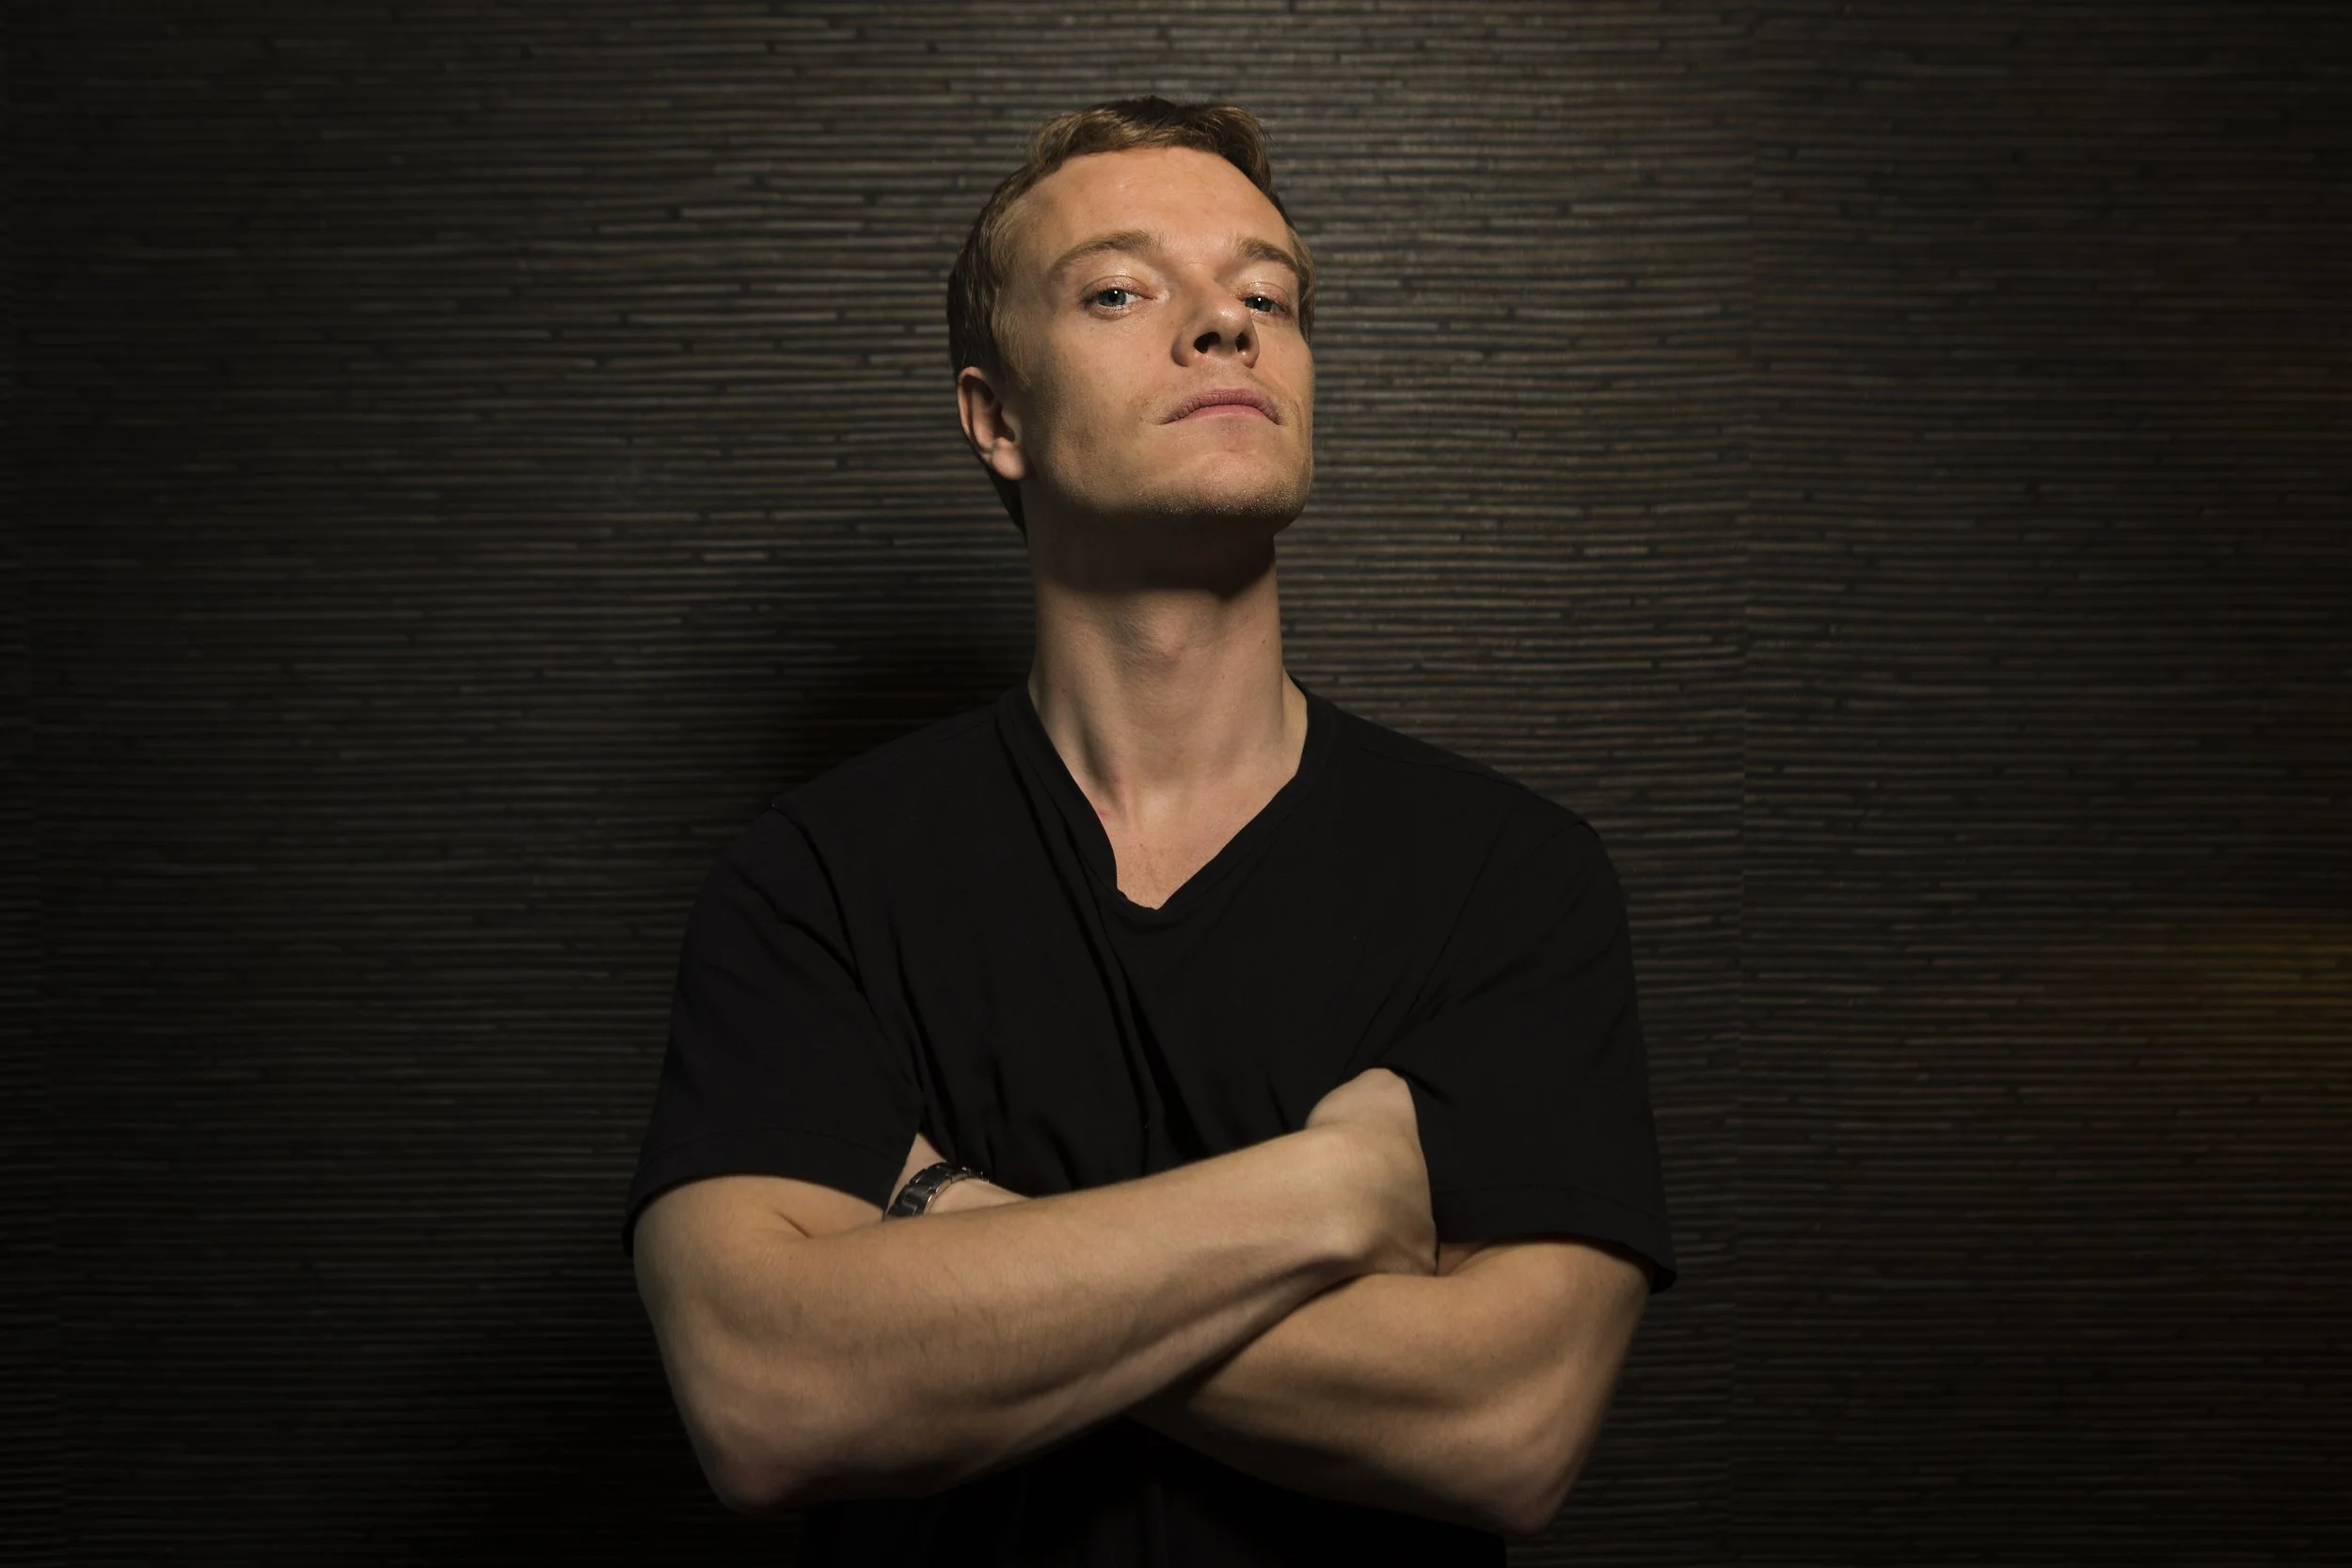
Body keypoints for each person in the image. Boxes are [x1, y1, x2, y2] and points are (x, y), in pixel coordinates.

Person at [622, 96, 1677, 1566]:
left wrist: (957, 1225)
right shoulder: (812, 884)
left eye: (1268, 295)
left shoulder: (1514, 881)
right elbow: (769, 1394)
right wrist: (1332, 1191)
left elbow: (1507, 1424)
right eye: (1120, 291)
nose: (1227, 325)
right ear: (997, 417)